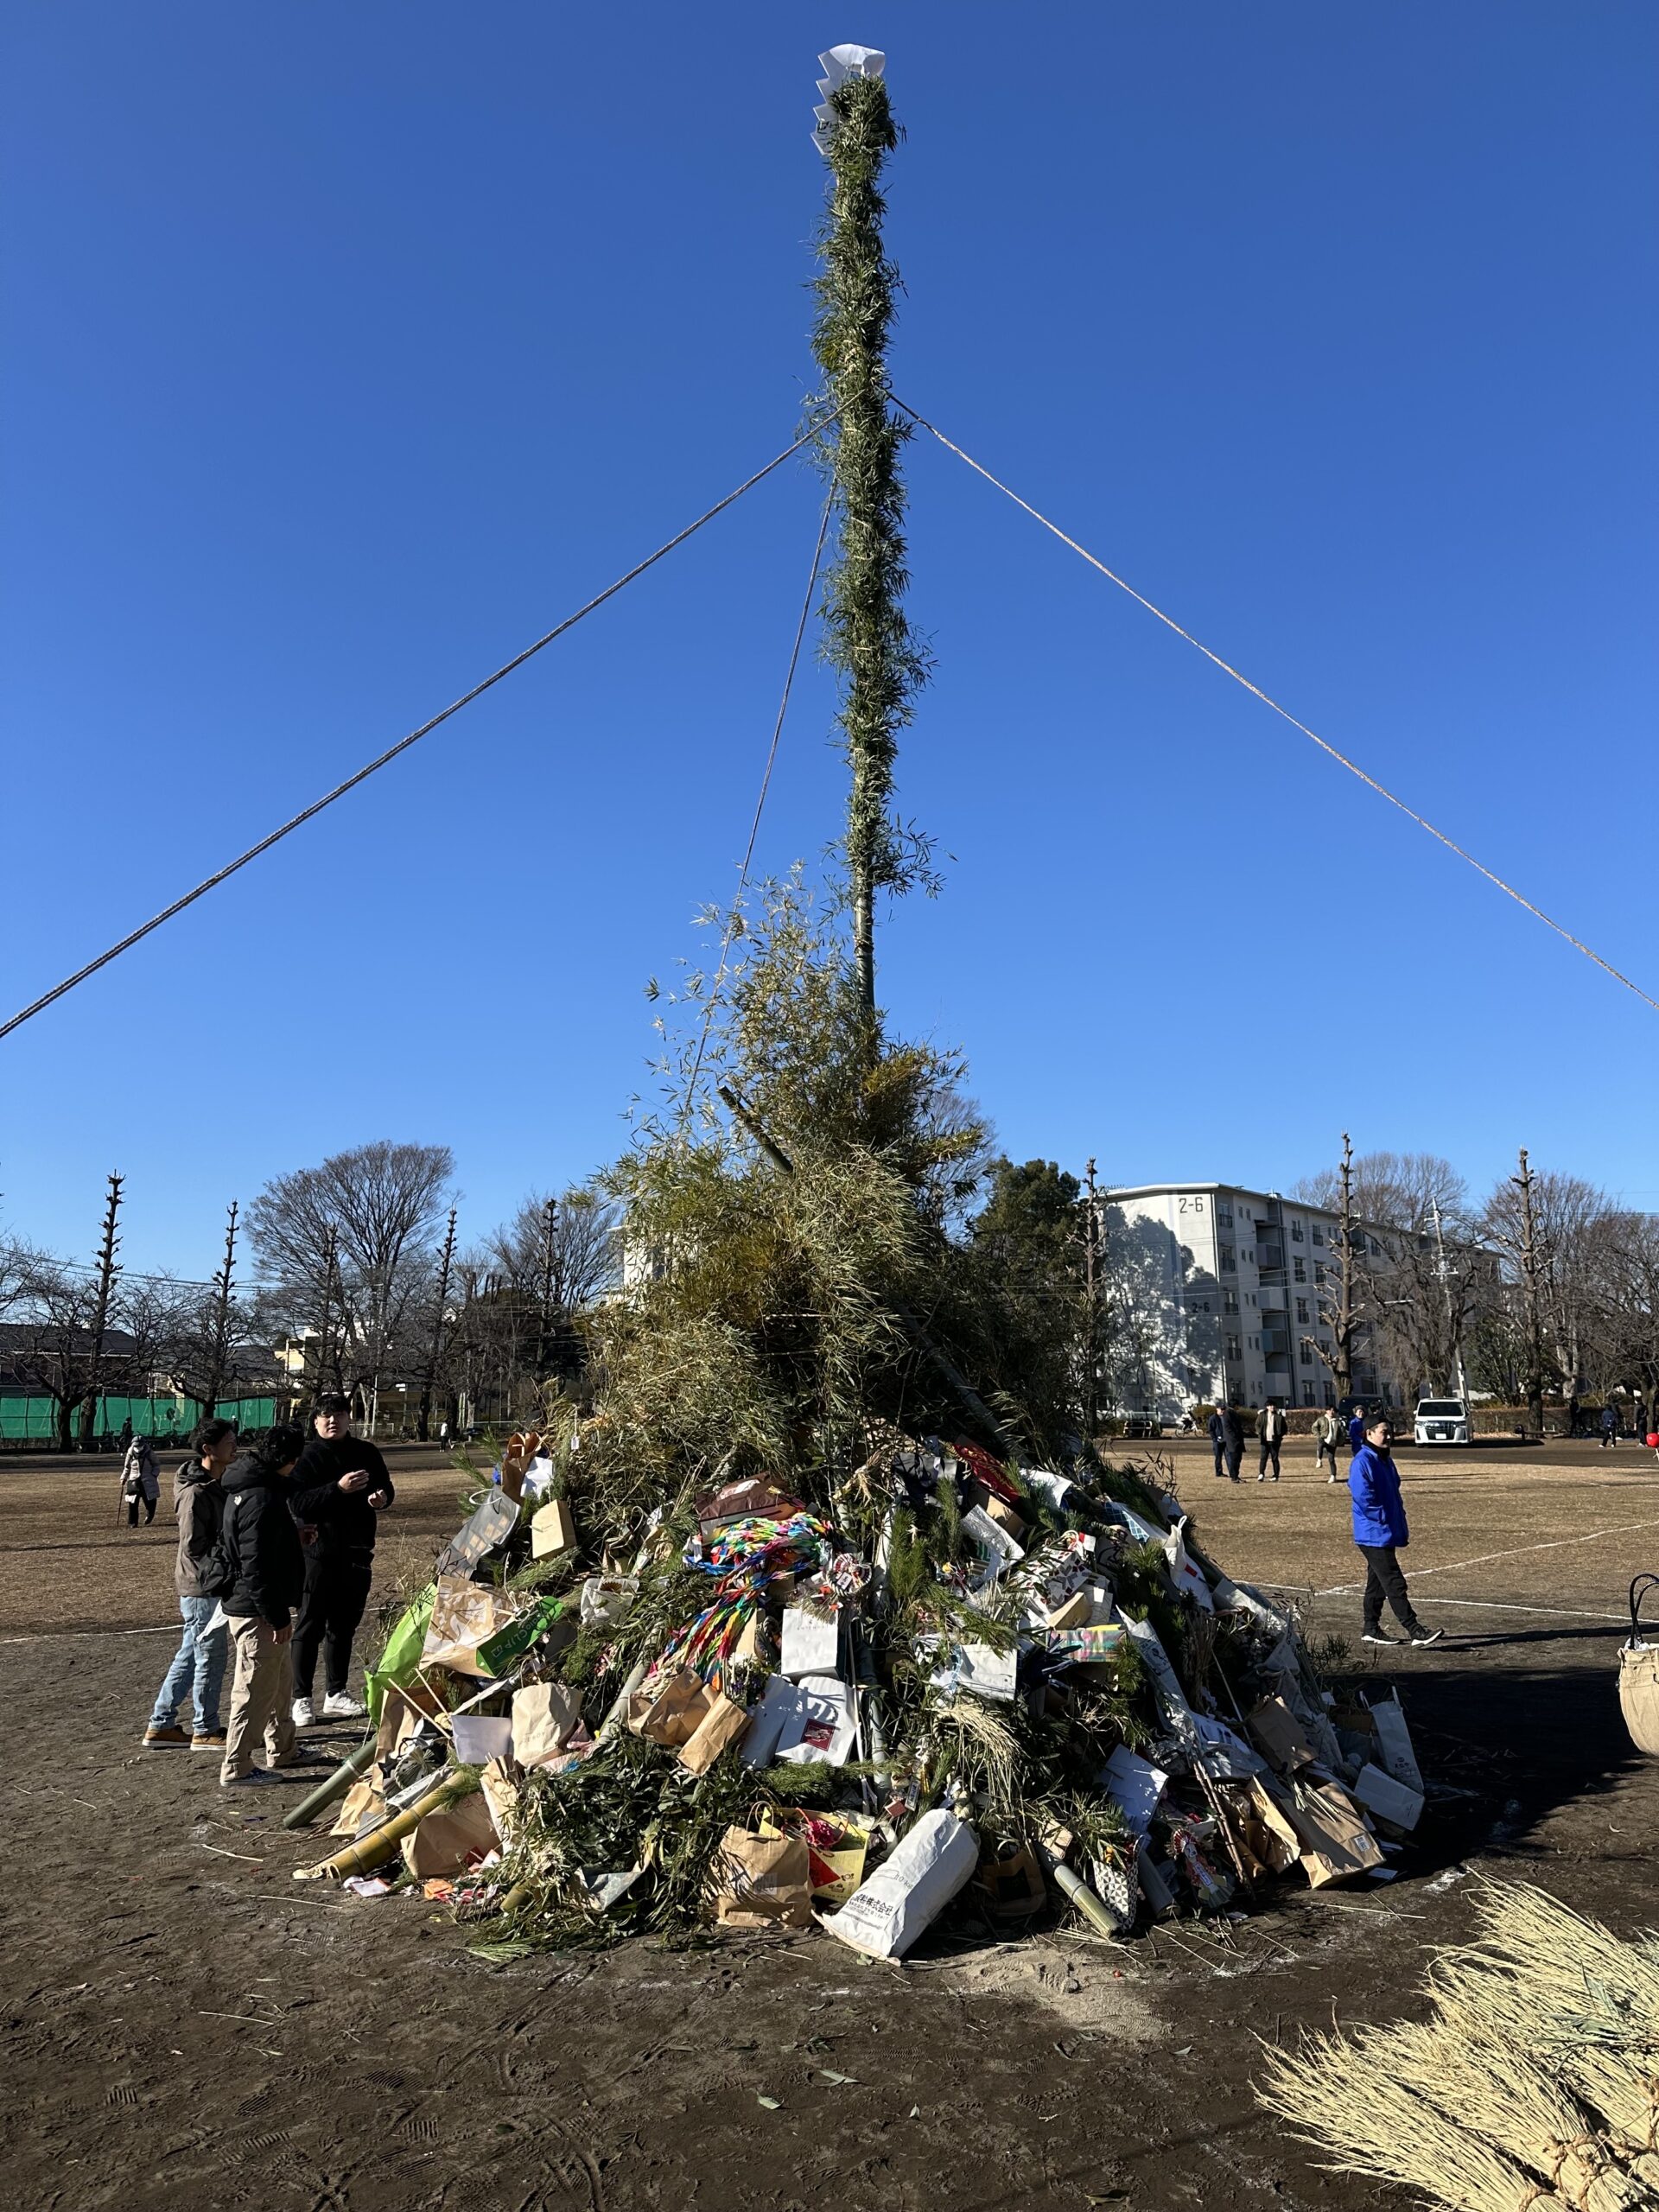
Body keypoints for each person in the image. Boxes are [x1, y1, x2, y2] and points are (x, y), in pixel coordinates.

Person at [289, 1393, 394, 1726]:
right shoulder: (306, 1457)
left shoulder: (366, 1452)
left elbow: (386, 1487)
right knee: (309, 1625)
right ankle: (301, 1698)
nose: (332, 1421)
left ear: (349, 1418)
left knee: (344, 1627)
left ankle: (336, 1693)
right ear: (315, 1421)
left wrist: (381, 1498)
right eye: (325, 1416)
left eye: (338, 1414)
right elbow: (299, 1504)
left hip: (357, 1552)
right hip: (317, 1555)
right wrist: (338, 1489)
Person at [219, 1423, 309, 1786]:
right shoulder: (261, 1498)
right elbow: (255, 1565)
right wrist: (275, 1616)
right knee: (254, 1689)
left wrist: (294, 1538)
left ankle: (282, 1748)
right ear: (290, 1460)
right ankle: (237, 1765)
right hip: (256, 1610)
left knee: (279, 1683)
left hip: (260, 1605)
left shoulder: (253, 1489)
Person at [142, 1417, 238, 1749]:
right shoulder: (197, 1491)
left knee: (191, 1652)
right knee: (210, 1655)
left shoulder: (213, 1483)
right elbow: (195, 1545)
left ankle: (162, 1723)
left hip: (204, 1583)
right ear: (208, 1449)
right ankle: (205, 1728)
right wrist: (229, 1559)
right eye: (228, 1441)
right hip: (203, 1585)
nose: (234, 1445)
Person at [1349, 1412, 1442, 1648]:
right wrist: (1382, 1517)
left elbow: (1394, 1490)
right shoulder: (1363, 1461)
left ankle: (1370, 1628)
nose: (1388, 1436)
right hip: (1372, 1534)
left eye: (1390, 1432)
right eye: (1383, 1432)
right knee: (1394, 1581)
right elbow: (1363, 1497)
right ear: (1369, 1434)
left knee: (1377, 1583)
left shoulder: (1384, 1459)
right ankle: (1414, 1630)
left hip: (1384, 1531)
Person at [121, 1432, 161, 1526]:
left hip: (148, 1480)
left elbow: (156, 1465)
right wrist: (124, 1478)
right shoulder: (130, 1453)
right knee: (132, 1502)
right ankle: (133, 1522)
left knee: (150, 1500)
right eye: (136, 1446)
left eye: (140, 1446)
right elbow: (127, 1467)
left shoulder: (149, 1453)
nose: (138, 1448)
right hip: (134, 1480)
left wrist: (153, 1475)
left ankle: (150, 1515)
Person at [1255, 1400, 1286, 1483]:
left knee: (1275, 1459)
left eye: (1273, 1405)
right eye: (1270, 1405)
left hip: (1275, 1441)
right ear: (1267, 1407)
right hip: (1264, 1440)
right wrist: (1260, 1432)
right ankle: (1261, 1474)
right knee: (1263, 1458)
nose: (1272, 1407)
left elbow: (1285, 1428)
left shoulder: (1279, 1417)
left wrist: (1280, 1435)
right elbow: (1257, 1425)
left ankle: (1276, 1475)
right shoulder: (1262, 1416)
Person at [1313, 1405, 1343, 1483]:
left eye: (1333, 1410)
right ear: (1327, 1411)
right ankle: (1319, 1460)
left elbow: (1342, 1433)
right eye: (1330, 1410)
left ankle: (1333, 1476)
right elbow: (1314, 1427)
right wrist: (1318, 1435)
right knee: (1320, 1443)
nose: (1331, 1412)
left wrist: (1340, 1441)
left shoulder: (1338, 1421)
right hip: (1324, 1438)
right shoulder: (1322, 1419)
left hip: (1332, 1441)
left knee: (1331, 1459)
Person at [1219, 1402, 1245, 1484]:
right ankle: (1234, 1477)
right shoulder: (1228, 1413)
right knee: (1234, 1458)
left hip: (1237, 1440)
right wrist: (1235, 1435)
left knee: (1238, 1458)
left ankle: (1236, 1475)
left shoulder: (1232, 1413)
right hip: (1233, 1440)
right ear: (1236, 1405)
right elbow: (1228, 1427)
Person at [1207, 1406, 1227, 1479]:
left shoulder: (1225, 1417)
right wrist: (1215, 1439)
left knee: (1228, 1457)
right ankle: (1218, 1472)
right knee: (1218, 1457)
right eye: (1221, 1409)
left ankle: (1231, 1472)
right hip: (1217, 1441)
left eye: (1223, 1409)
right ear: (1217, 1409)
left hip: (1225, 1440)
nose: (1222, 1411)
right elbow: (1210, 1429)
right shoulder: (1213, 1418)